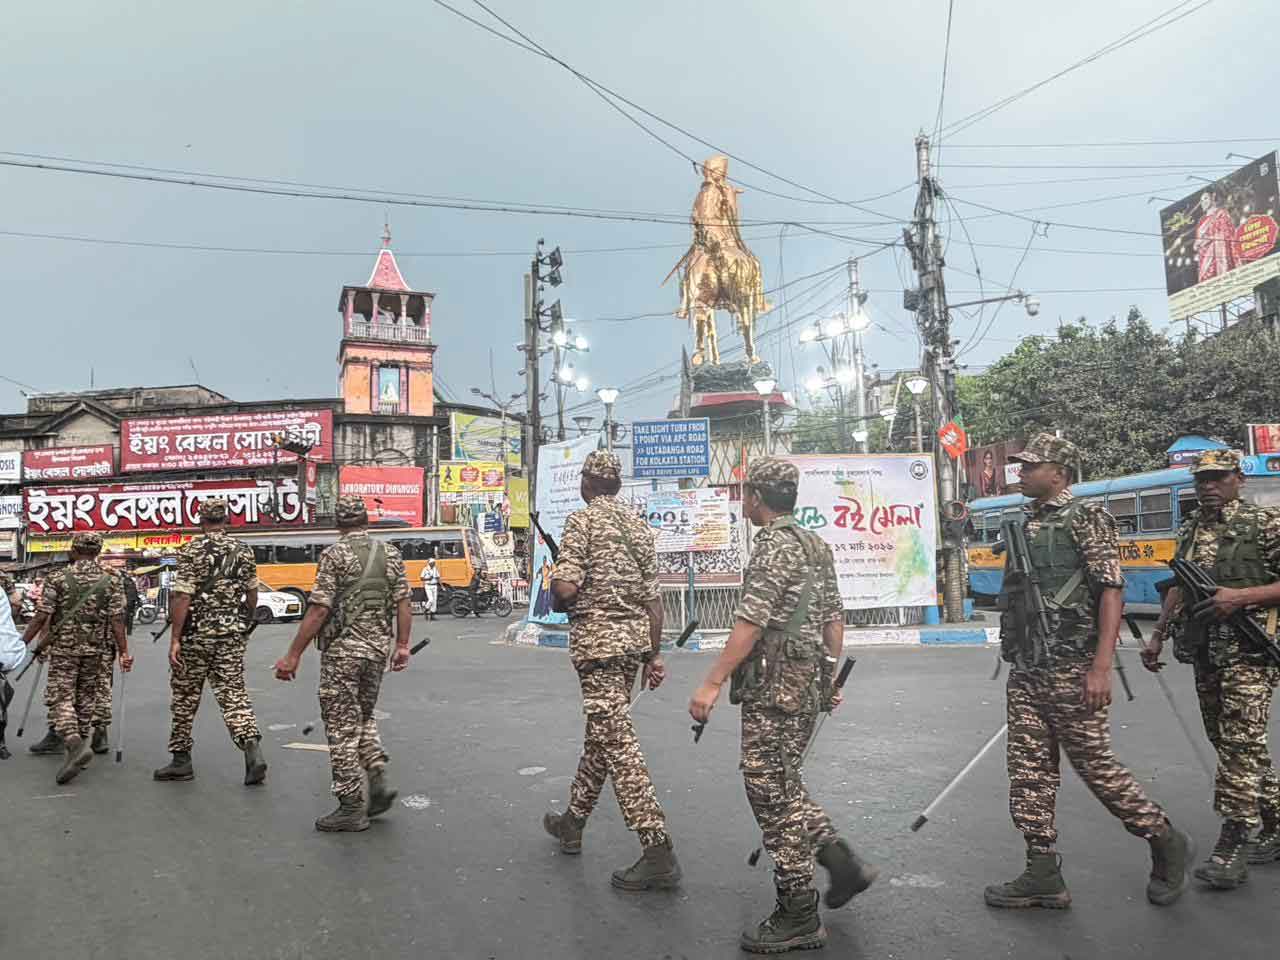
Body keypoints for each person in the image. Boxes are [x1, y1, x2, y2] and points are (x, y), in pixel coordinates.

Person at [986, 433, 1192, 910]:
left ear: (1059, 472)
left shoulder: (1087, 518)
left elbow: (1111, 592)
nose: (1021, 471)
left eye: (1031, 466)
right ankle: (1041, 870)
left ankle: (1163, 838)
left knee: (1096, 768)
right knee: (1028, 772)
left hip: (1072, 667)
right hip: (1030, 666)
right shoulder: (1027, 522)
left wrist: (1101, 666)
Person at [689, 457, 875, 953]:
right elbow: (834, 619)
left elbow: (750, 624)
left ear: (757, 498)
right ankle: (838, 858)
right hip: (807, 682)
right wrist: (829, 678)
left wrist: (710, 682)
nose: (743, 502)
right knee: (784, 779)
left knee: (768, 789)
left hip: (774, 687)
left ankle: (798, 910)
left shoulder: (771, 548)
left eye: (745, 495)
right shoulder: (814, 544)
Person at [542, 450, 682, 891]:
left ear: (586, 483)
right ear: (616, 485)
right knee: (603, 735)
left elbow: (565, 589)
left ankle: (656, 846)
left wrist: (556, 590)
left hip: (598, 649)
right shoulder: (639, 527)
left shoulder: (581, 522)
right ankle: (573, 822)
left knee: (618, 743)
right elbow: (654, 600)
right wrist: (653, 656)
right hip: (633, 646)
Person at [1143, 448, 1280, 887]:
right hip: (1206, 652)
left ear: (1238, 479)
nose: (1208, 485)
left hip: (1250, 653)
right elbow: (1180, 587)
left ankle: (1233, 842)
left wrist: (1239, 598)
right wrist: (1158, 633)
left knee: (1240, 744)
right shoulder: (1190, 528)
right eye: (1202, 478)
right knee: (1232, 744)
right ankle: (1276, 820)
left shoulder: (1266, 524)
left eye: (1218, 477)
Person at [274, 495, 412, 832]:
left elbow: (320, 609)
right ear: (366, 520)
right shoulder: (389, 553)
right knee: (362, 718)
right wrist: (403, 645)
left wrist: (293, 654)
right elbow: (404, 601)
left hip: (343, 655)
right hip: (377, 653)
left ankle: (351, 806)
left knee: (340, 727)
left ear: (338, 523)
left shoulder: (334, 555)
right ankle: (375, 770)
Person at [153, 498, 267, 786]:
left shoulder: (191, 550)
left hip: (196, 636)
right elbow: (253, 593)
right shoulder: (243, 550)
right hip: (230, 635)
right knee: (234, 694)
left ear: (201, 520)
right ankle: (251, 745)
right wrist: (244, 619)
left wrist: (175, 639)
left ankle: (181, 760)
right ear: (226, 520)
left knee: (185, 697)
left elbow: (182, 596)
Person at [19, 532, 132, 785]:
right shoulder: (111, 579)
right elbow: (117, 620)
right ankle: (77, 749)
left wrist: (22, 643)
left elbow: (42, 616)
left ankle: (71, 739)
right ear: (98, 551)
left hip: (64, 649)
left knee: (61, 696)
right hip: (97, 649)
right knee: (85, 698)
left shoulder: (57, 577)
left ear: (73, 549)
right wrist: (124, 651)